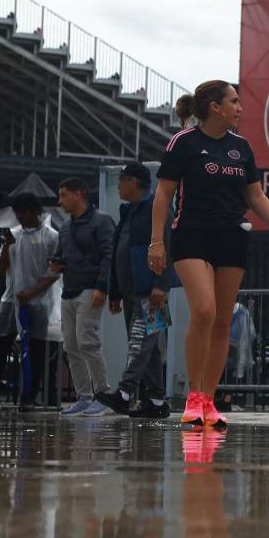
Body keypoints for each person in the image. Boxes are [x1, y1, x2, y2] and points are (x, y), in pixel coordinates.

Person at [149, 80, 269, 428]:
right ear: (215, 107)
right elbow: (163, 194)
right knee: (204, 310)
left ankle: (209, 401)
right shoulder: (183, 143)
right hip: (191, 236)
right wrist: (157, 242)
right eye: (234, 101)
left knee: (222, 322)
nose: (239, 107)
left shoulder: (241, 147)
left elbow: (256, 195)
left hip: (232, 236)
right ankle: (193, 397)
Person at [96, 163, 175, 418]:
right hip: (132, 293)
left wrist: (161, 285)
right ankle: (156, 400)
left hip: (152, 292)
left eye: (121, 180)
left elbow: (169, 246)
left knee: (140, 342)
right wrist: (115, 291)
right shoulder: (129, 210)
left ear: (133, 182)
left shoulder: (157, 207)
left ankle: (125, 393)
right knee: (146, 345)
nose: (118, 185)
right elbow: (121, 250)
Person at [51, 177, 117, 417]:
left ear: (78, 194)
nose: (60, 201)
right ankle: (84, 396)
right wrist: (57, 263)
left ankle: (103, 394)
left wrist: (102, 286)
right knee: (71, 345)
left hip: (90, 288)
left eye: (64, 195)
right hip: (69, 289)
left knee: (87, 341)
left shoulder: (101, 222)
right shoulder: (65, 228)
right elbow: (61, 254)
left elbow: (108, 255)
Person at [0, 192, 61, 408]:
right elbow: (2, 269)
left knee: (35, 354)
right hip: (11, 299)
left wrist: (31, 293)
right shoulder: (13, 235)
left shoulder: (51, 236)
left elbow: (54, 272)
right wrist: (5, 246)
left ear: (35, 211)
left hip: (39, 303)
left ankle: (29, 397)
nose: (20, 217)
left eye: (23, 212)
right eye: (17, 213)